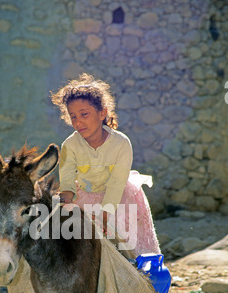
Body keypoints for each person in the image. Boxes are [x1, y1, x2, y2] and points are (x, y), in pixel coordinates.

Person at [51, 73, 160, 256]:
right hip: (85, 197)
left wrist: (103, 214)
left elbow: (117, 183)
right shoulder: (70, 145)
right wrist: (66, 201)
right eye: (73, 117)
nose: (78, 122)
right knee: (81, 247)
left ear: (102, 113)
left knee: (127, 246)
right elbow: (68, 181)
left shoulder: (121, 144)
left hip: (118, 199)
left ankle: (140, 271)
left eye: (84, 114)